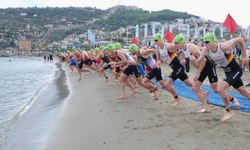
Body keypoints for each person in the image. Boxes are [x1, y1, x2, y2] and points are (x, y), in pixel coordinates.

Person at [199, 32, 250, 121]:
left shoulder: (223, 46)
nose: (206, 44)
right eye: (204, 42)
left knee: (220, 88)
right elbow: (199, 60)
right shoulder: (206, 50)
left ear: (214, 41)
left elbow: (240, 40)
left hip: (236, 70)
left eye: (207, 42)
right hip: (228, 72)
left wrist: (244, 56)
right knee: (244, 92)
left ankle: (228, 111)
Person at [153, 33, 193, 106]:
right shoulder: (157, 48)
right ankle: (203, 92)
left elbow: (181, 48)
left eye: (156, 40)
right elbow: (158, 59)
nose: (155, 42)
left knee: (167, 83)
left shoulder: (168, 46)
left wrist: (183, 58)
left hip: (179, 67)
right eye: (154, 40)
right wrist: (158, 63)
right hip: (174, 68)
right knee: (189, 84)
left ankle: (177, 99)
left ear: (161, 39)